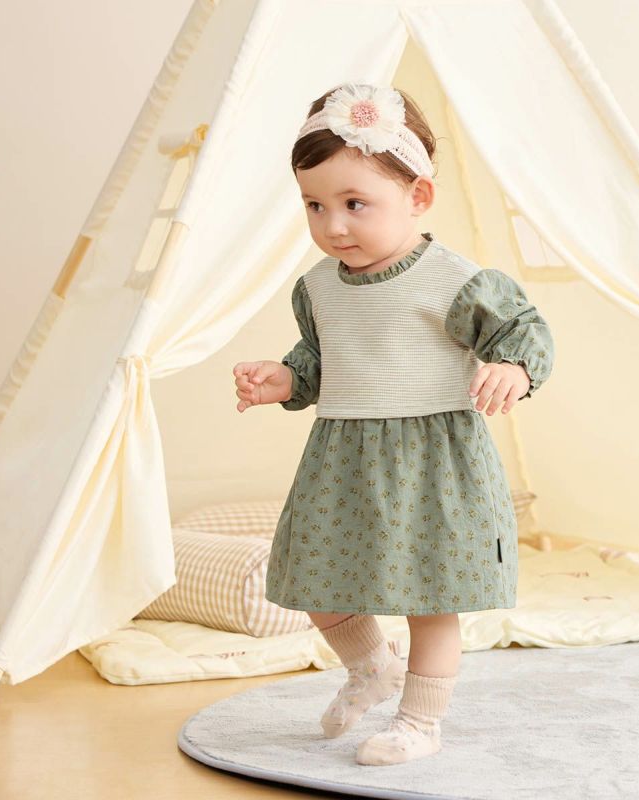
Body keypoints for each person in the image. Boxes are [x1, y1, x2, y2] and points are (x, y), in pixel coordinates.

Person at [232, 83, 554, 766]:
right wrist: (283, 379)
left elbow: (523, 332)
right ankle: (371, 666)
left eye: (355, 204)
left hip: (432, 460)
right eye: (314, 206)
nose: (333, 226)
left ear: (418, 197)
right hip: (343, 458)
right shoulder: (318, 288)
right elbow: (318, 361)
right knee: (314, 576)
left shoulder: (455, 281)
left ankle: (419, 721)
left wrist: (514, 369)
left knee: (430, 599)